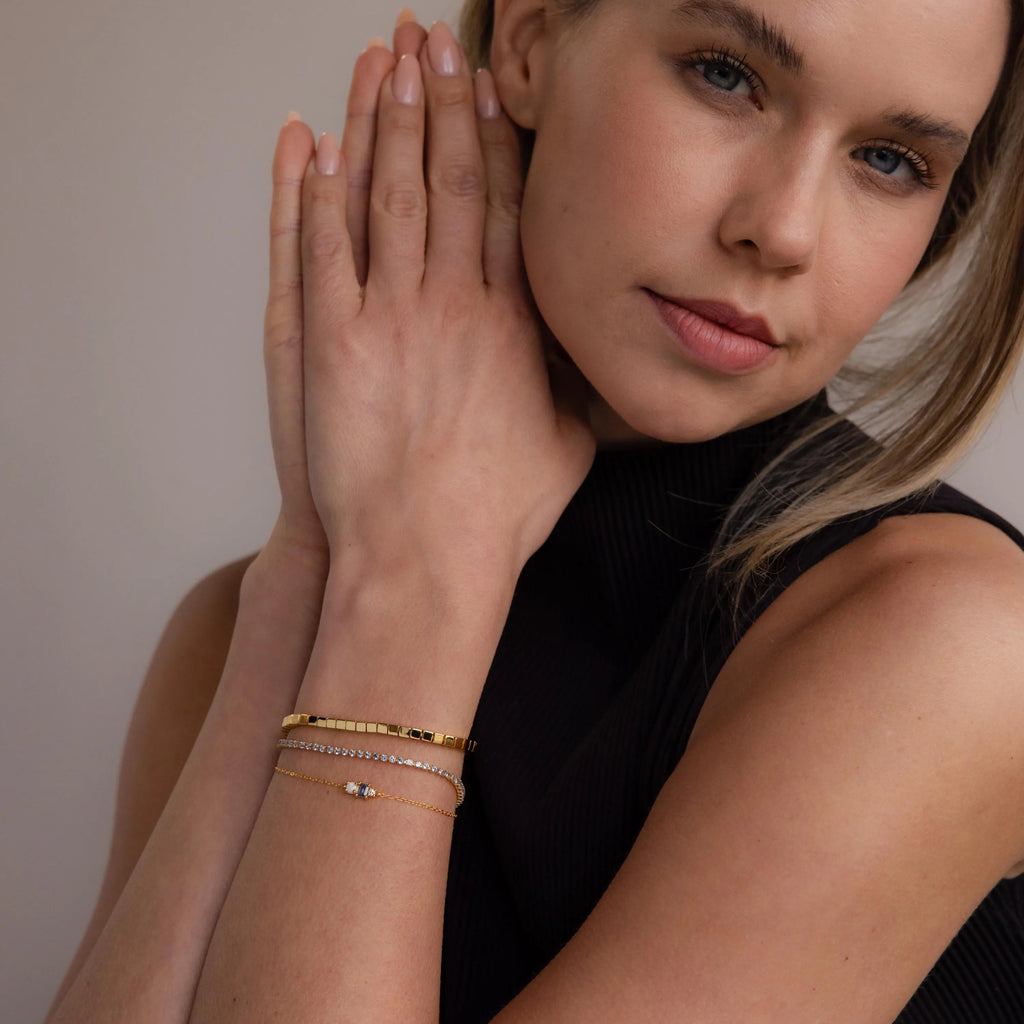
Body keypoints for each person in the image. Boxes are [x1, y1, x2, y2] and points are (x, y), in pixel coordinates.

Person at [45, 0, 1024, 1021]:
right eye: (726, 76)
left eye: (891, 160)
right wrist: (307, 572)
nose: (781, 230)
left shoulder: (951, 644)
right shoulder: (239, 630)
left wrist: (411, 596)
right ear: (530, 37)